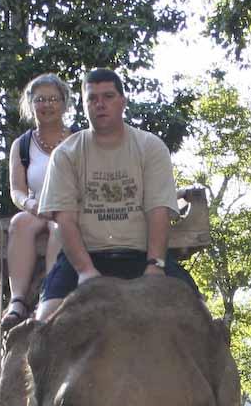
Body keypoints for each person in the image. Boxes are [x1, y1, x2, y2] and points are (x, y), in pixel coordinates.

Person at [35, 68, 197, 320]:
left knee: (203, 321)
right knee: (42, 327)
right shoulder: (66, 154)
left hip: (142, 255)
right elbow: (64, 219)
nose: (100, 104)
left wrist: (155, 267)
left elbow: (159, 210)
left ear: (122, 101)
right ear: (84, 104)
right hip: (83, 258)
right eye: (92, 98)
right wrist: (86, 271)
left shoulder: (151, 147)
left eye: (108, 96)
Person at [1, 73, 74, 330]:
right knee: (20, 223)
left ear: (64, 103)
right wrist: (30, 205)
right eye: (40, 99)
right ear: (31, 106)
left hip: (69, 209)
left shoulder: (79, 140)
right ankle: (18, 301)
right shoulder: (22, 145)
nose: (47, 105)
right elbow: (17, 190)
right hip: (37, 208)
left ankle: (49, 295)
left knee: (60, 228)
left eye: (53, 99)